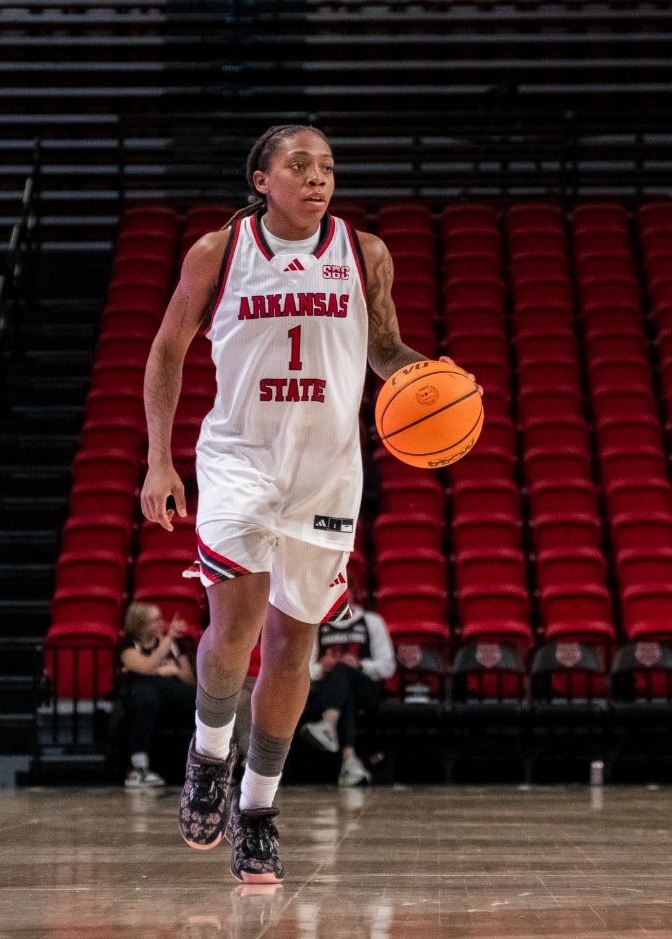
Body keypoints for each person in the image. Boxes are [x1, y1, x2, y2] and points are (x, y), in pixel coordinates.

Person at [141, 124, 466, 883]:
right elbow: (166, 349)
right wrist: (158, 458)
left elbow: (384, 348)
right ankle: (208, 755)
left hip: (327, 474)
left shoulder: (365, 252)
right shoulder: (219, 252)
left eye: (327, 166)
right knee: (236, 624)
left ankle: (257, 811)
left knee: (292, 647)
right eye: (300, 165)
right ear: (262, 179)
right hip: (239, 462)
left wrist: (433, 381)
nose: (318, 178)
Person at [297, 582, 393, 788]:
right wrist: (321, 668)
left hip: (367, 689)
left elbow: (388, 666)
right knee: (345, 690)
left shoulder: (372, 621)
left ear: (353, 592)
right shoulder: (318, 624)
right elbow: (304, 669)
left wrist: (360, 665)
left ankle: (328, 726)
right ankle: (349, 761)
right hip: (330, 692)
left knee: (344, 672)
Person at [118, 602, 196, 789]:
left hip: (171, 694)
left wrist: (175, 671)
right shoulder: (128, 646)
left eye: (160, 619)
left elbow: (189, 680)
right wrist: (167, 643)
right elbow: (146, 667)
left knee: (203, 703)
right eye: (154, 620)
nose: (161, 623)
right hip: (142, 698)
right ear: (139, 624)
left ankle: (209, 766)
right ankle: (137, 768)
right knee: (147, 698)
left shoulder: (175, 645)